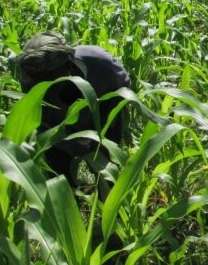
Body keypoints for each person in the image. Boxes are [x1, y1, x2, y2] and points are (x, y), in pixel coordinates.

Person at [15, 32, 131, 189]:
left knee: (105, 168)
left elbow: (120, 94)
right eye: (40, 80)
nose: (47, 84)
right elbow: (45, 123)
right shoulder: (31, 79)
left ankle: (110, 205)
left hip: (102, 114)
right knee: (59, 175)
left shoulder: (101, 65)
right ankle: (69, 207)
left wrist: (101, 133)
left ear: (68, 65)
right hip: (59, 126)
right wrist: (72, 145)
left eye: (51, 78)